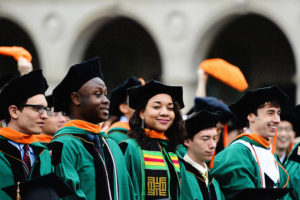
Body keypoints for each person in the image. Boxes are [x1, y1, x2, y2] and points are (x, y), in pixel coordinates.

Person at [48, 57, 136, 200]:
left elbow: (130, 192)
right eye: (97, 94)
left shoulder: (111, 144)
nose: (106, 100)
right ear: (76, 98)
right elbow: (68, 194)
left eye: (105, 94)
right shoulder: (64, 145)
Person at [210, 86, 291, 199]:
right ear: (251, 116)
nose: (277, 120)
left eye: (278, 113)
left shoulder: (270, 153)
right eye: (270, 113)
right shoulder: (237, 153)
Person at [119, 80, 186, 200]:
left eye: (170, 108)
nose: (165, 113)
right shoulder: (129, 149)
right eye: (156, 107)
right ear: (142, 113)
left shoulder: (175, 150)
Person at [0, 70, 52, 199]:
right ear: (14, 111)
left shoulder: (43, 152)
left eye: (46, 109)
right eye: (38, 108)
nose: (45, 116)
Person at [179, 110, 225, 200]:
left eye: (214, 138)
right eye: (205, 139)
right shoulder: (180, 175)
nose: (213, 145)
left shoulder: (214, 182)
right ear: (187, 141)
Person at [106, 77, 143, 144]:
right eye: (138, 99)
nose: (144, 104)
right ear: (124, 108)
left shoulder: (147, 131)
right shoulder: (115, 136)